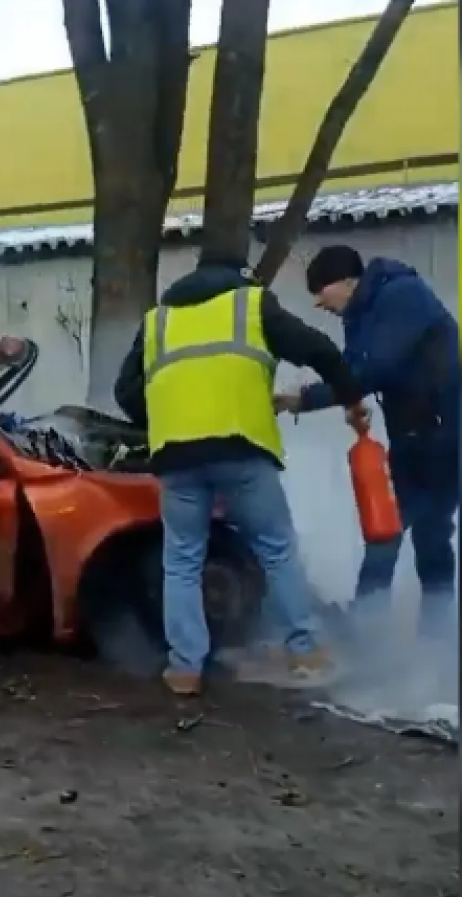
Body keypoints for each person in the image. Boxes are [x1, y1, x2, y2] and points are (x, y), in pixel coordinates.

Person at [115, 255, 368, 696]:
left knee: (181, 561)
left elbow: (126, 391)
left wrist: (166, 418)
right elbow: (320, 351)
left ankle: (185, 668)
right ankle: (304, 649)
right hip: (240, 447)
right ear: (241, 278)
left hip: (176, 457)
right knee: (275, 549)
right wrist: (351, 400)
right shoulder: (250, 305)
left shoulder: (158, 321)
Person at [277, 246, 460, 639]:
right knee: (396, 531)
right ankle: (382, 631)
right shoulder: (360, 312)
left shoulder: (402, 294)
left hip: (442, 437)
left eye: (320, 291)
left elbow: (375, 367)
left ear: (347, 281)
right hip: (413, 436)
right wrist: (353, 402)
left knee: (414, 534)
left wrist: (307, 398)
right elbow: (355, 368)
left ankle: (415, 635)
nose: (316, 302)